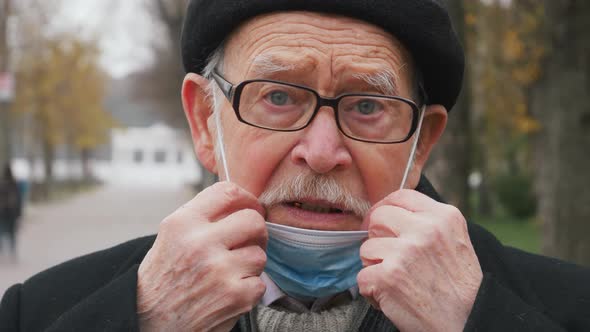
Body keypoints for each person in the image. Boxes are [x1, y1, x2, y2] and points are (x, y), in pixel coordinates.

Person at [1, 0, 589, 331]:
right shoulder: (42, 313)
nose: (321, 152)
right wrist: (143, 321)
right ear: (206, 121)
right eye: (278, 97)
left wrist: (483, 323)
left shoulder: (566, 308)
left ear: (422, 144)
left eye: (367, 105)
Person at [0, 164, 21, 261]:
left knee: (1, 233)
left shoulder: (2, 184)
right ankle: (13, 253)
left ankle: (2, 253)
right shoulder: (14, 184)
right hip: (12, 213)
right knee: (12, 234)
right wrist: (19, 214)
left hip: (2, 213)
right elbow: (18, 200)